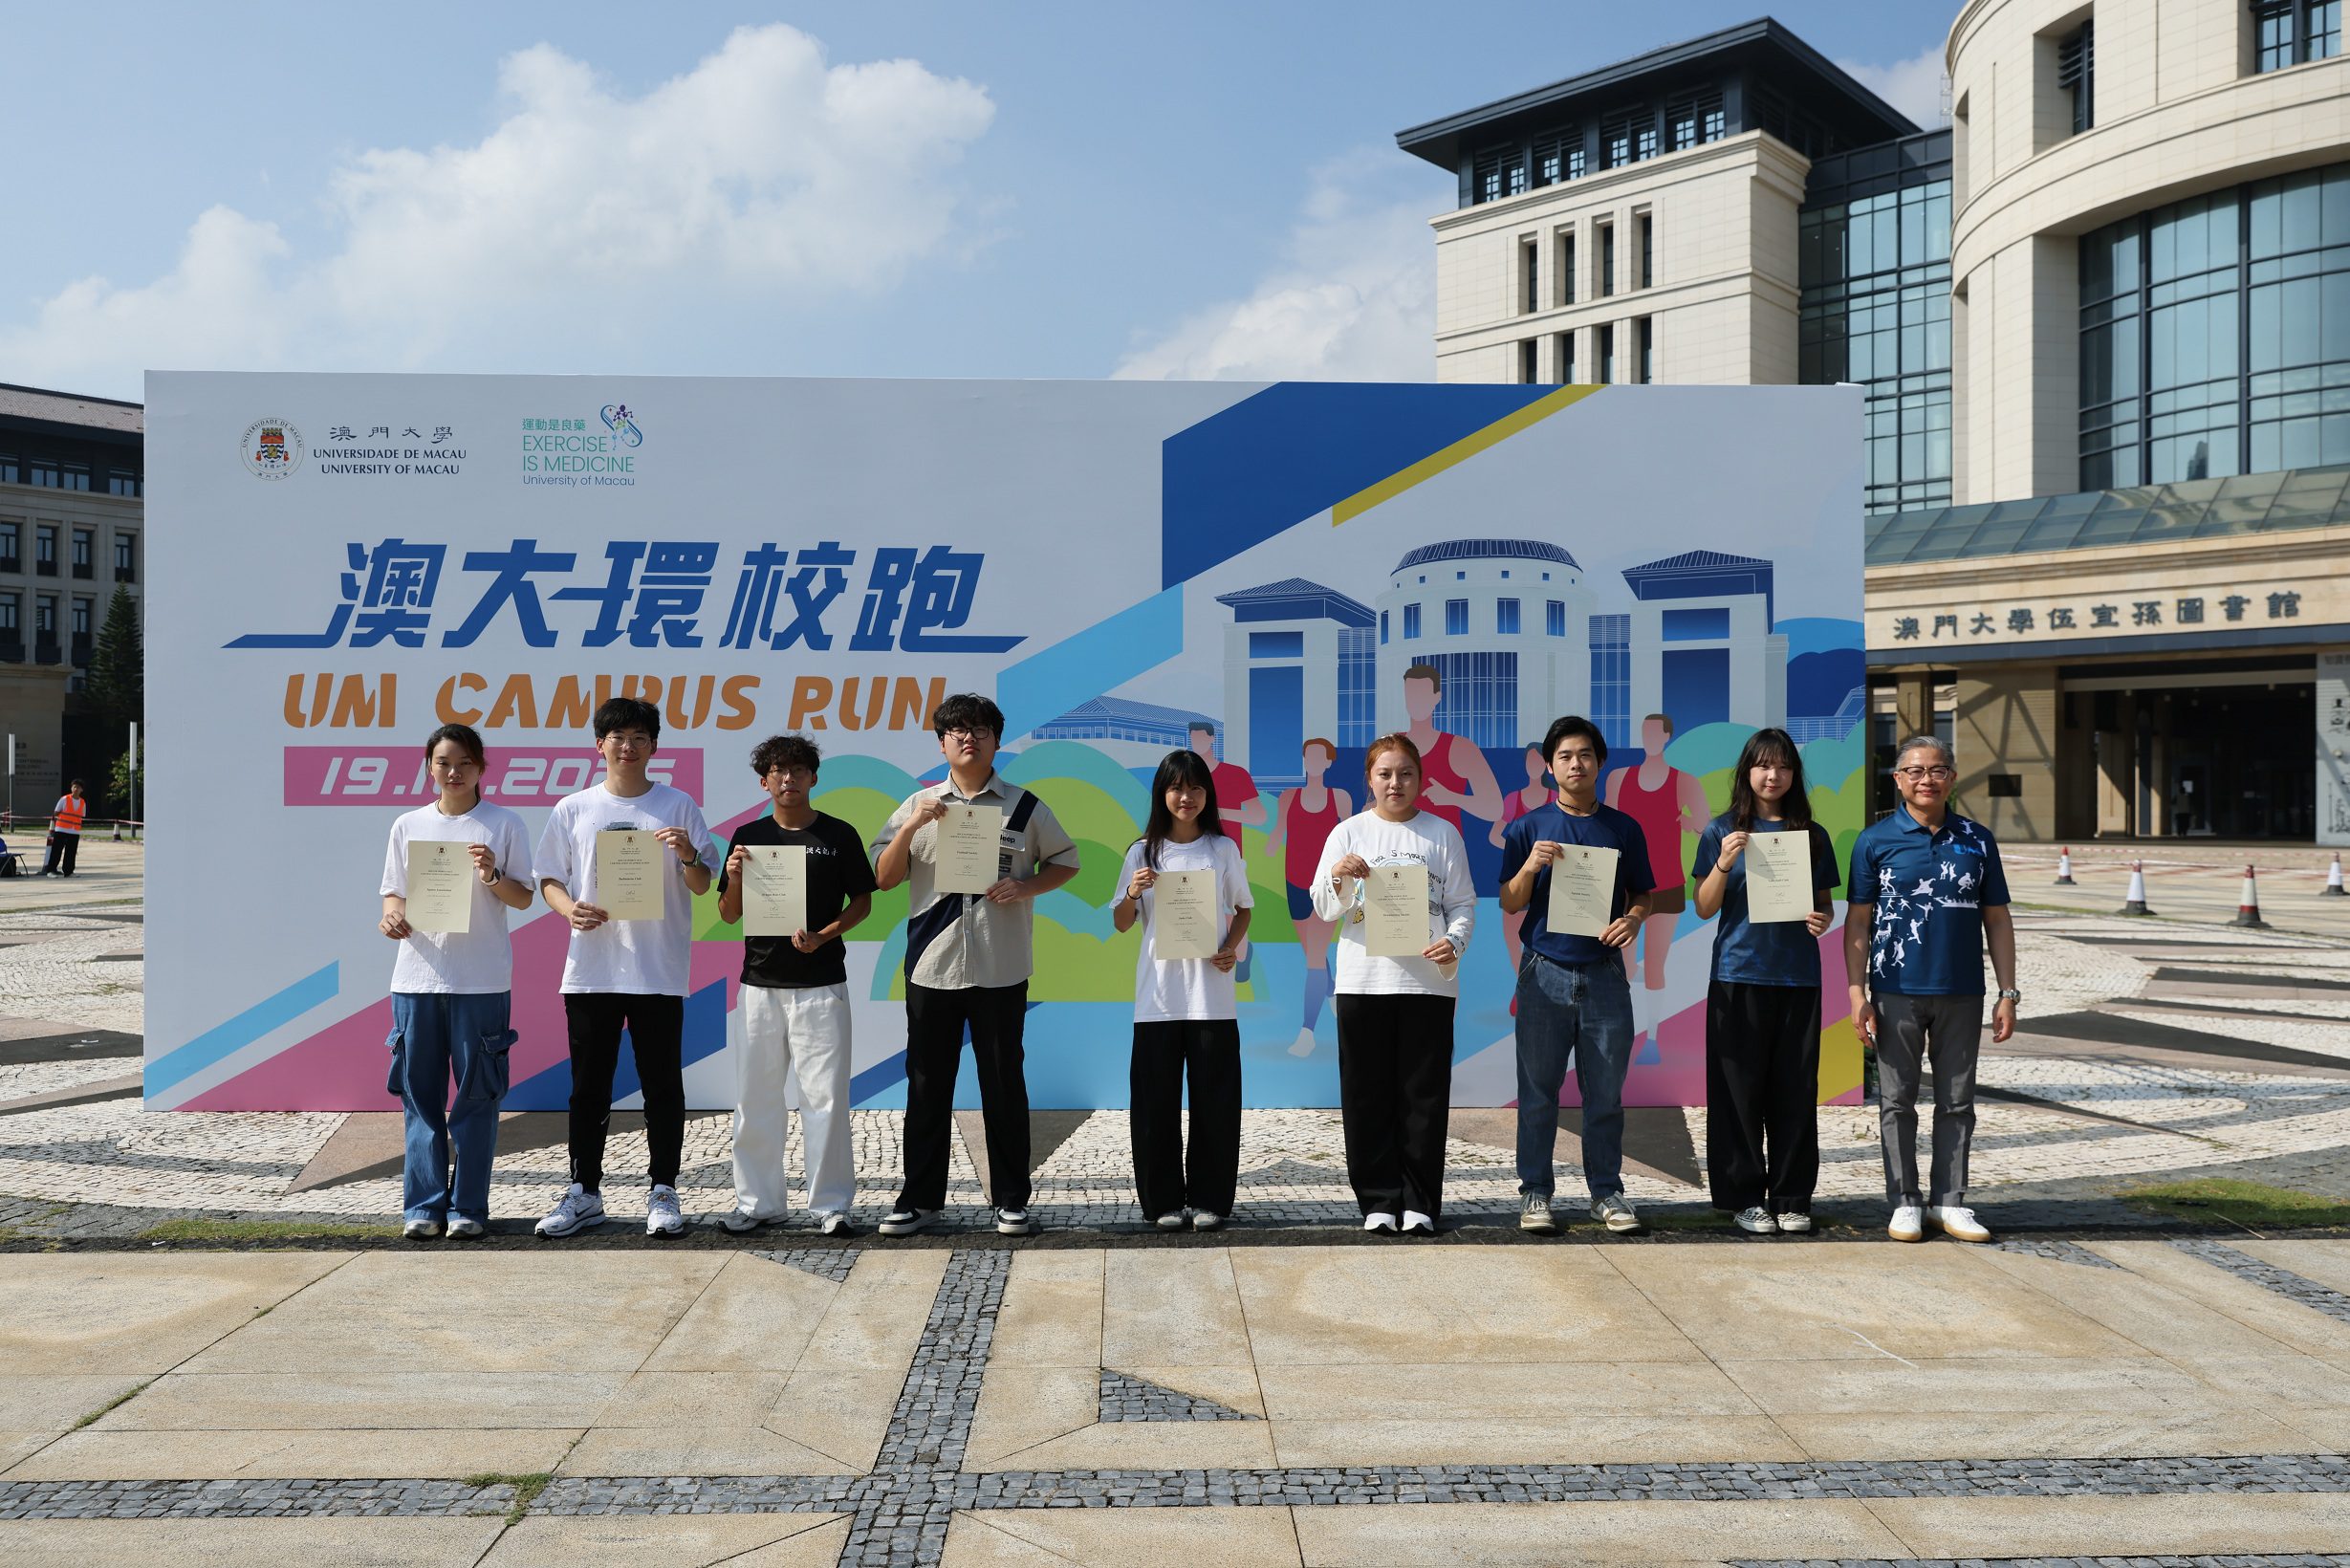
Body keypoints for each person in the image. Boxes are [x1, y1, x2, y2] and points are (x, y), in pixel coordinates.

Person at [872, 694, 1080, 1237]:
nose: (969, 738)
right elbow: (884, 877)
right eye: (957, 731)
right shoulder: (917, 803)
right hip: (932, 967)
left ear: (996, 740)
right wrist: (912, 824)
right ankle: (920, 1200)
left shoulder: (1025, 807)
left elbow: (1066, 861)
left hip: (1000, 966)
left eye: (981, 729)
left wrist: (1026, 886)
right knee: (926, 1086)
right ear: (942, 742)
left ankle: (1011, 1199)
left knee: (1004, 1083)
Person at [532, 697, 719, 1240]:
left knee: (662, 1087)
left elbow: (703, 882)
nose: (628, 746)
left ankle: (663, 1189)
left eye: (639, 737)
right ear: (600, 745)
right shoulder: (574, 808)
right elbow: (549, 878)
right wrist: (570, 910)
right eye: (618, 737)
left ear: (654, 746)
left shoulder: (678, 804)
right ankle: (584, 1191)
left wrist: (687, 854)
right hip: (592, 970)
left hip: (657, 969)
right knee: (588, 1087)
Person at [1844, 734, 2018, 1245]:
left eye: (1937, 770)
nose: (1927, 780)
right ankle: (1904, 1202)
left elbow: (1997, 919)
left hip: (1962, 990)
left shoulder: (1977, 840)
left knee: (1957, 1101)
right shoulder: (1874, 841)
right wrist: (1857, 993)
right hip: (1895, 989)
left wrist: (2008, 992)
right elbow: (1858, 922)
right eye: (1916, 771)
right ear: (1898, 779)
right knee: (1896, 1101)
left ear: (1952, 778)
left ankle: (1950, 1201)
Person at [1311, 733, 1475, 1236]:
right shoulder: (1348, 833)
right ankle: (1378, 1201)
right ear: (1370, 779)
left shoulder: (1442, 834)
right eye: (1384, 774)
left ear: (1420, 779)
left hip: (1427, 985)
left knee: (1423, 1096)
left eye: (1405, 773)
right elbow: (1325, 907)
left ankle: (1420, 1201)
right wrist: (1338, 875)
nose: (1395, 783)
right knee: (1366, 1095)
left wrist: (1454, 942)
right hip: (1363, 982)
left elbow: (1463, 904)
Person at [713, 733, 876, 1237]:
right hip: (760, 985)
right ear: (764, 782)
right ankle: (759, 1204)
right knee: (755, 1099)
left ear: (813, 778)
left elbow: (863, 901)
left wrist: (824, 936)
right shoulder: (748, 835)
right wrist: (734, 875)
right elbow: (728, 913)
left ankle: (830, 1205)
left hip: (822, 985)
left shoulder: (839, 834)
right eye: (779, 771)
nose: (789, 778)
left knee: (825, 1098)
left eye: (798, 770)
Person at [376, 724, 534, 1240]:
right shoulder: (408, 825)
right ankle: (423, 1207)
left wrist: (491, 874)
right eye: (444, 762)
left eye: (465, 762)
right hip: (416, 980)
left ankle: (468, 1207)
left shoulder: (504, 824)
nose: (454, 772)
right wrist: (391, 917)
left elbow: (523, 897)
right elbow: (394, 893)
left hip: (481, 981)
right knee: (419, 1098)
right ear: (429, 767)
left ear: (481, 768)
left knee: (476, 1099)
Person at [1499, 715, 1654, 1236]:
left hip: (1604, 972)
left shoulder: (1623, 828)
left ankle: (1606, 1192)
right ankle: (1535, 1191)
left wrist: (1633, 919)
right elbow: (1509, 901)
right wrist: (1530, 867)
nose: (1576, 764)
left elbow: (1643, 893)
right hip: (1543, 970)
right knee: (1537, 1092)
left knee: (1605, 1094)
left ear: (1600, 762)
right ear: (1549, 767)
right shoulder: (1528, 827)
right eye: (1564, 756)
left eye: (1585, 754)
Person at [1691, 729, 1838, 1236]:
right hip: (1737, 975)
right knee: (1737, 1093)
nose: (1772, 776)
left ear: (1794, 773)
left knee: (1795, 1090)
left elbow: (1825, 905)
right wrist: (1723, 861)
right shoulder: (1721, 830)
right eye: (1763, 766)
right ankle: (1744, 1198)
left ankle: (1793, 1197)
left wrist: (1821, 919)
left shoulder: (1811, 835)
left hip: (1798, 978)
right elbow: (1703, 906)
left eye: (1782, 766)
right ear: (1747, 772)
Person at [1112, 750, 1252, 1230]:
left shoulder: (1222, 849)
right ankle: (1163, 1202)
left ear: (1207, 794)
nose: (1186, 796)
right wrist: (1133, 892)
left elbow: (1244, 908)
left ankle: (1211, 1199)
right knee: (1155, 1104)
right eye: (1176, 787)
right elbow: (1122, 922)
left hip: (1212, 996)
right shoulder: (1141, 852)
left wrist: (1231, 948)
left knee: (1216, 1102)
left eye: (1195, 787)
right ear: (1162, 794)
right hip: (1158, 999)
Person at [1605, 714, 1710, 1056]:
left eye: (1655, 732)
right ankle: (1621, 1034)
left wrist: (1690, 822)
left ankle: (1651, 1039)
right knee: (1623, 966)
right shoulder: (1620, 778)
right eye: (1645, 731)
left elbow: (1706, 824)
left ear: (1667, 736)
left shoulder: (1684, 781)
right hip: (1624, 885)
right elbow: (1604, 824)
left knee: (1654, 966)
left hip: (1666, 883)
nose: (1649, 737)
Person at [1266, 738, 1351, 1056]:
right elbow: (1279, 830)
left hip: (1327, 886)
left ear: (1328, 763)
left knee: (1315, 958)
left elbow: (1350, 836)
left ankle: (1307, 1033)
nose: (1313, 761)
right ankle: (1331, 993)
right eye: (1308, 756)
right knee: (1312, 954)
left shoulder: (1339, 798)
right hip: (1294, 882)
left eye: (1319, 756)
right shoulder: (1288, 797)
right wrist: (1271, 845)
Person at [1400, 664, 1502, 841]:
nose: (1416, 700)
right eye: (1411, 693)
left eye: (1422, 694)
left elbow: (1495, 809)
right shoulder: (1390, 745)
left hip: (1444, 851)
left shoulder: (1461, 748)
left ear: (1436, 697)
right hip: (1397, 849)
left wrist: (1452, 797)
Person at [1491, 743, 1552, 984]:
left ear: (1547, 765)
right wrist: (1522, 853)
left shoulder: (1557, 798)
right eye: (1530, 761)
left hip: (1550, 887)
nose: (1533, 766)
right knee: (1513, 940)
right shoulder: (1513, 799)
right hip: (1517, 882)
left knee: (1546, 941)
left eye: (1538, 761)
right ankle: (1522, 986)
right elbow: (1494, 835)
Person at [1187, 721, 1267, 837]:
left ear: (1212, 738)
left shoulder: (1236, 774)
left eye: (1201, 737)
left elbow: (1259, 816)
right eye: (1194, 738)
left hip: (1229, 846)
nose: (1197, 742)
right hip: (1191, 845)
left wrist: (1217, 813)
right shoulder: (1183, 775)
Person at [40, 779, 86, 877]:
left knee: (71, 853)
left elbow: (82, 815)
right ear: (71, 788)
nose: (76, 789)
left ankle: (68, 872)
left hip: (75, 831)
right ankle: (51, 870)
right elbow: (56, 812)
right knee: (56, 851)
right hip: (62, 829)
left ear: (81, 790)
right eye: (74, 787)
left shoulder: (82, 802)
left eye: (78, 787)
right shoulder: (64, 799)